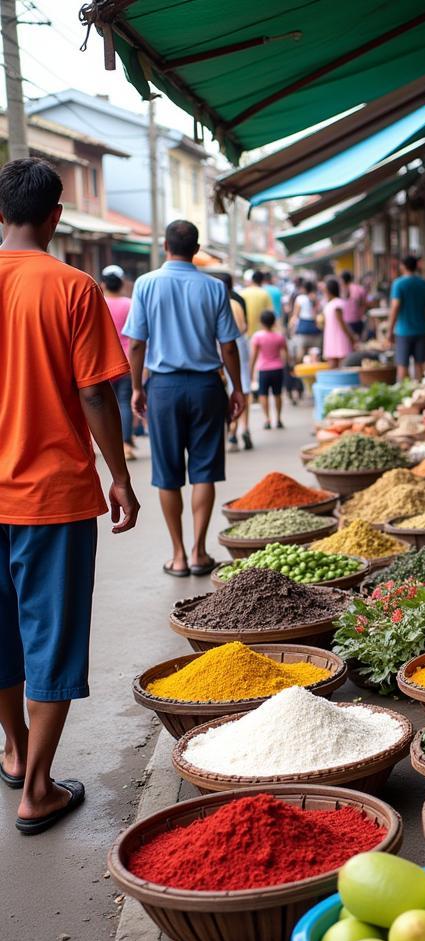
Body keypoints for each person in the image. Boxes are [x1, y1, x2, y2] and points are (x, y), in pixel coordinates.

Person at [0, 157, 140, 835]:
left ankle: (15, 750)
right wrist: (120, 476)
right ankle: (36, 790)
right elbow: (95, 392)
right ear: (56, 216)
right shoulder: (71, 287)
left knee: (1, 640)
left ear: (1, 213)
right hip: (49, 497)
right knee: (49, 642)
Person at [123, 220, 244, 578]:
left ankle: (176, 555)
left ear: (165, 246)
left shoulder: (146, 285)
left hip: (164, 388)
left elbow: (135, 343)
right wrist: (237, 388)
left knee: (167, 473)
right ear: (197, 249)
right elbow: (229, 346)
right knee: (204, 469)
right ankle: (198, 551)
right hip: (207, 387)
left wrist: (137, 387)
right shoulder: (214, 287)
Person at [211, 271, 253, 453]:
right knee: (242, 385)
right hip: (240, 344)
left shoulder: (214, 303)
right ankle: (244, 428)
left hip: (221, 346)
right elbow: (243, 327)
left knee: (226, 386)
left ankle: (232, 430)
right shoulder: (236, 303)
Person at [100, 268, 136, 462]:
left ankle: (109, 446)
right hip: (126, 362)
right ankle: (127, 444)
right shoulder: (130, 304)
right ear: (121, 284)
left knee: (104, 405)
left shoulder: (99, 303)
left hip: (103, 362)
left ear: (103, 284)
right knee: (124, 404)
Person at [387, 255, 425, 381]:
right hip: (421, 329)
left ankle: (404, 394)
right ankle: (420, 392)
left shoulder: (398, 284)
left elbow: (395, 306)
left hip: (403, 331)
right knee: (420, 365)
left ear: (402, 266)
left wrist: (389, 330)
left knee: (402, 366)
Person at [250, 309, 290, 429]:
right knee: (277, 394)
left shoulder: (257, 336)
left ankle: (267, 419)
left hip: (263, 370)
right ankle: (278, 419)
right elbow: (285, 354)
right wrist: (286, 365)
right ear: (273, 322)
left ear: (261, 322)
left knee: (263, 395)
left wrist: (251, 370)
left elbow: (254, 355)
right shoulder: (279, 336)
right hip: (277, 369)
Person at [322, 276, 355, 368]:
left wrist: (351, 337)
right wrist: (352, 337)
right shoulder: (334, 304)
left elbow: (341, 323)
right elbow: (342, 323)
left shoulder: (334, 304)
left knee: (337, 364)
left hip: (336, 337)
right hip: (336, 337)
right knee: (340, 364)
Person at [240, 269, 273, 338]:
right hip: (261, 332)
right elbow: (270, 312)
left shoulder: (242, 293)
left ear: (252, 280)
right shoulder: (265, 294)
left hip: (245, 331)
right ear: (262, 281)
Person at [291, 278, 321, 354]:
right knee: (314, 354)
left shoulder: (300, 298)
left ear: (304, 288)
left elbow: (295, 316)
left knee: (301, 353)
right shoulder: (316, 298)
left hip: (303, 329)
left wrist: (291, 328)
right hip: (315, 329)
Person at [340, 270, 366, 340]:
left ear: (342, 280)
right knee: (358, 343)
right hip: (359, 320)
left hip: (347, 322)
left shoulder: (343, 290)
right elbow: (364, 304)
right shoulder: (360, 289)